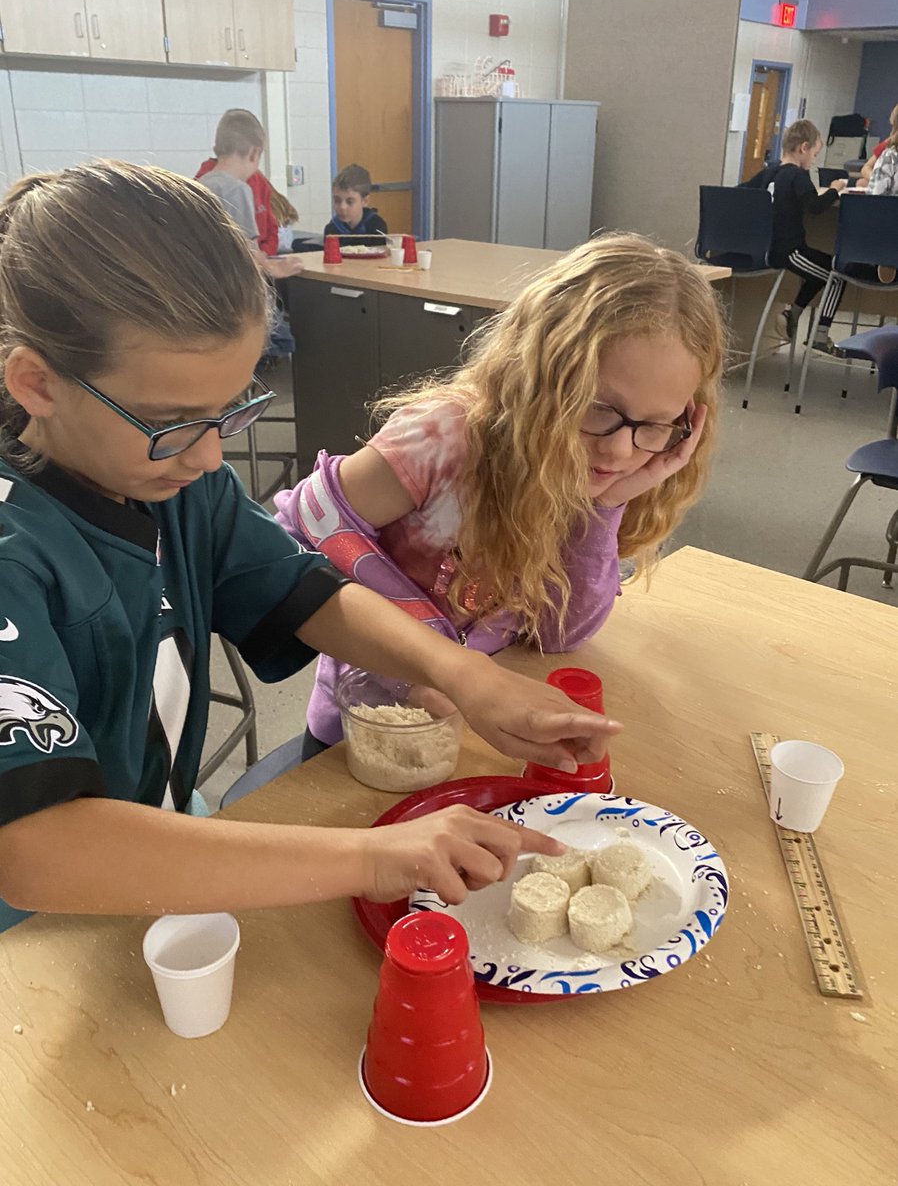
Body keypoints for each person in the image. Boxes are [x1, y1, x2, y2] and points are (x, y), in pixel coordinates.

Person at [0, 162, 620, 933]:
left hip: (151, 844)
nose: (208, 460)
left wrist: (461, 674)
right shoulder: (17, 551)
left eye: (229, 412)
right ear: (36, 383)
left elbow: (300, 591)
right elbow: (34, 846)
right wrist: (372, 856)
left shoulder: (169, 479)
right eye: (173, 422)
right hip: (34, 925)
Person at [275, 233, 724, 758]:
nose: (621, 450)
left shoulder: (592, 470)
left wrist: (602, 509)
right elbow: (303, 525)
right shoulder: (445, 436)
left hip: (484, 725)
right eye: (598, 407)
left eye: (656, 424)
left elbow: (561, 634)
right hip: (368, 728)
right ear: (538, 378)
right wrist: (431, 660)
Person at [740, 119, 849, 357]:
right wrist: (835, 188)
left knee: (821, 271)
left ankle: (794, 313)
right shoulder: (797, 176)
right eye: (814, 154)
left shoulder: (770, 171)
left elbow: (741, 191)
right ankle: (819, 335)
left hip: (768, 248)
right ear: (803, 148)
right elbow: (816, 207)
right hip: (790, 252)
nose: (813, 161)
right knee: (837, 275)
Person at [196, 109, 304, 282]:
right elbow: (246, 253)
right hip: (235, 292)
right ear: (254, 153)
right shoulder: (238, 190)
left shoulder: (199, 185)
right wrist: (275, 268)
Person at [324, 164, 388, 240]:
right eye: (337, 200)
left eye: (350, 202)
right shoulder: (331, 230)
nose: (342, 207)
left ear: (365, 201)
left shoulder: (377, 227)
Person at [856, 104, 898, 188]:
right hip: (887, 188)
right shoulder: (889, 144)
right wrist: (878, 179)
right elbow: (866, 168)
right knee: (861, 183)